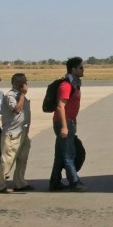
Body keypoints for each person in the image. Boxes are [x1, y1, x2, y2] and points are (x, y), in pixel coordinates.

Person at [50, 57, 86, 192]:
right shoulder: (66, 85)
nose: (83, 70)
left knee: (60, 155)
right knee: (69, 154)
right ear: (73, 69)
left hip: (69, 121)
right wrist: (65, 126)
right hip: (63, 122)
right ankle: (74, 182)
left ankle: (55, 182)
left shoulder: (75, 84)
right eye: (80, 67)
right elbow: (60, 106)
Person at [0, 73, 33, 193]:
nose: (26, 84)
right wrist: (22, 94)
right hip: (12, 134)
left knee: (22, 158)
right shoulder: (10, 96)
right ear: (17, 84)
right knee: (7, 160)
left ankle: (20, 182)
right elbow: (16, 109)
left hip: (22, 132)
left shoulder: (21, 96)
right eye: (23, 82)